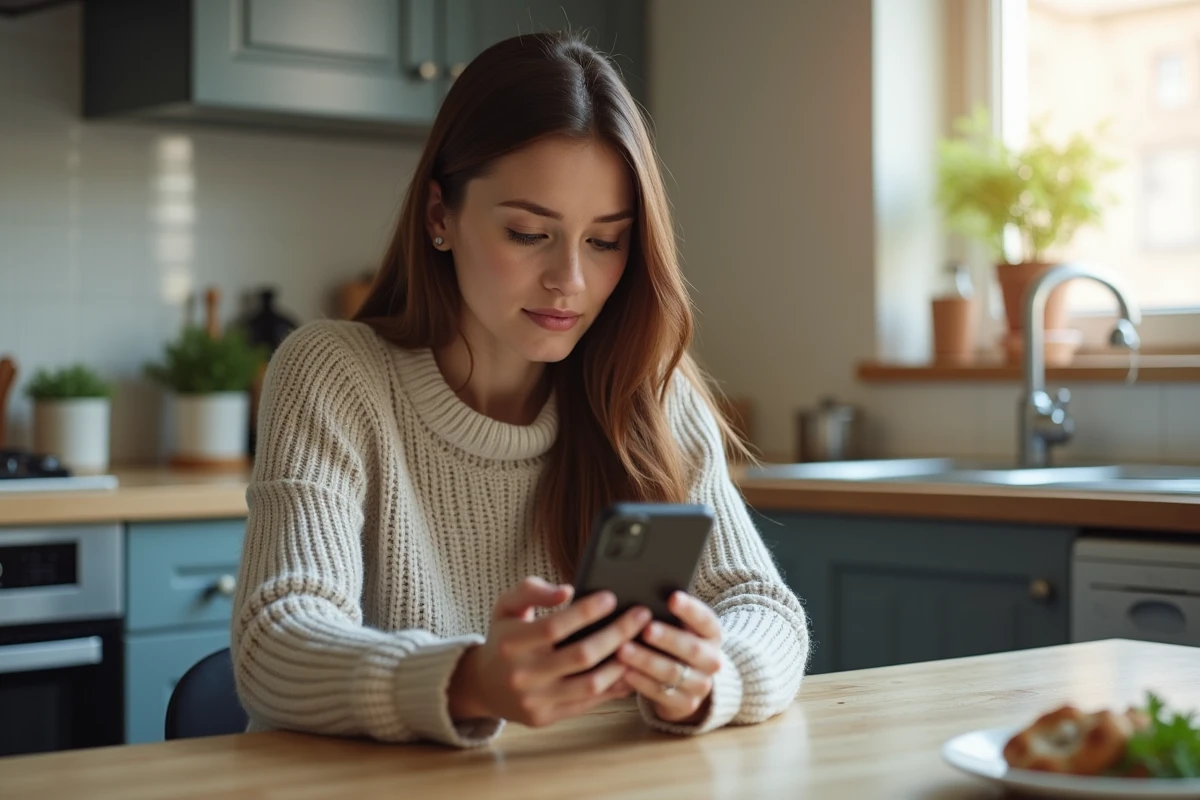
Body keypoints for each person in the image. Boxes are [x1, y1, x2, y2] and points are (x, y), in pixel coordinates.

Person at [230, 31, 809, 748]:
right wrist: (468, 681)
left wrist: (707, 677)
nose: (570, 280)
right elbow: (275, 639)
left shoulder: (646, 389)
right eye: (530, 233)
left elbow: (763, 607)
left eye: (605, 241)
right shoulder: (333, 373)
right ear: (440, 216)